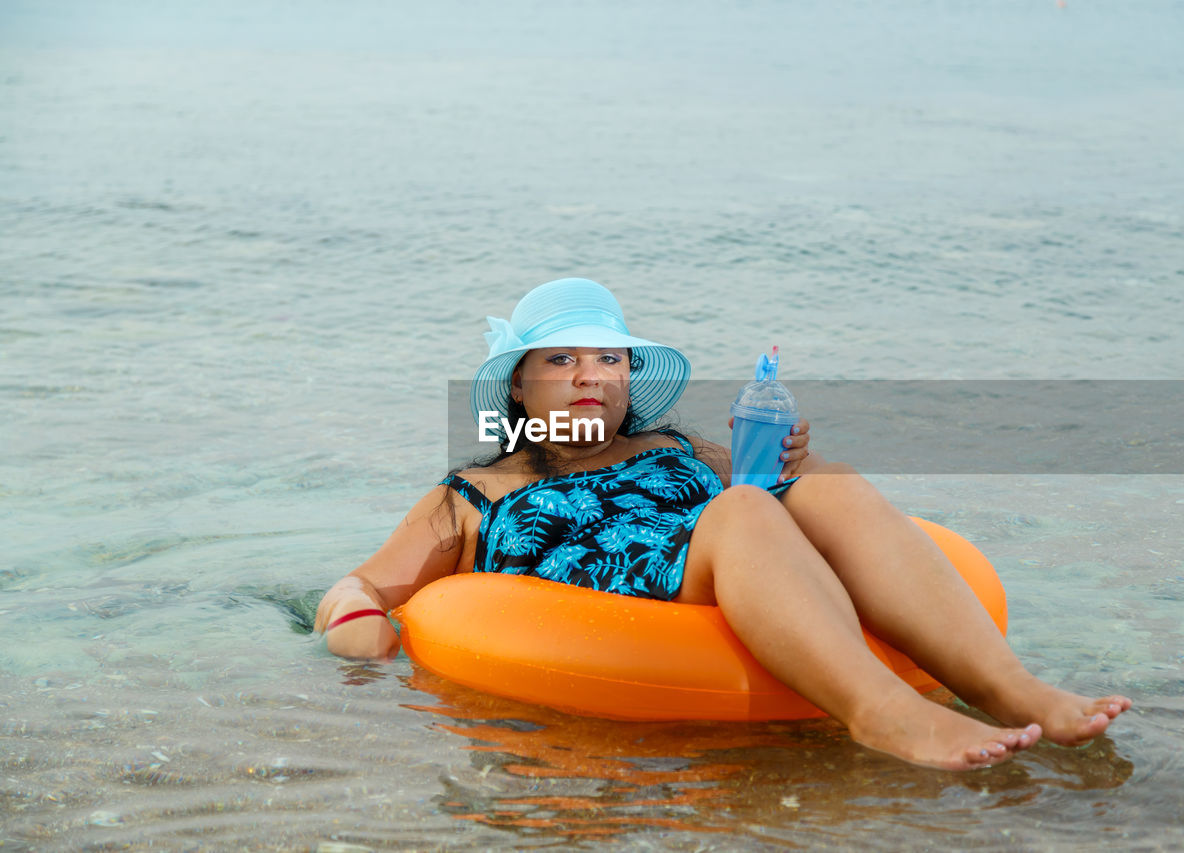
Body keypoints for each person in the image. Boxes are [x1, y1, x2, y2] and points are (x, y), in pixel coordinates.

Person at [315, 277, 1131, 771]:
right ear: (519, 387)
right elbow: (362, 586)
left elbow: (775, 493)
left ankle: (1011, 688)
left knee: (826, 483)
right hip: (630, 606)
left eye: (609, 358)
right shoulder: (471, 488)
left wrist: (792, 458)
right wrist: (360, 632)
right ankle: (881, 711)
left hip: (738, 571)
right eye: (561, 359)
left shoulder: (678, 445)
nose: (590, 375)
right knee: (740, 508)